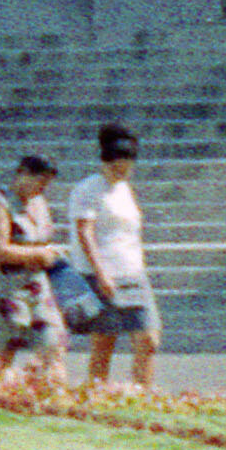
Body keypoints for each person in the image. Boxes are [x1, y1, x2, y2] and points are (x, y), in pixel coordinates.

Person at [67, 123, 161, 390]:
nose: (122, 172)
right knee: (104, 341)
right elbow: (84, 233)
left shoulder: (125, 190)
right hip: (102, 274)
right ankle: (96, 395)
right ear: (105, 162)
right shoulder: (88, 190)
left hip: (133, 272)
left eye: (127, 166)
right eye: (116, 166)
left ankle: (143, 395)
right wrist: (100, 273)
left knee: (148, 338)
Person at [0, 154, 66, 380]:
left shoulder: (39, 203)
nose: (42, 188)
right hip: (5, 287)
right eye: (39, 181)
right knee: (4, 353)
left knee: (53, 341)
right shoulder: (0, 203)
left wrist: (51, 253)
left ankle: (51, 394)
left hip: (35, 283)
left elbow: (42, 238)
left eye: (47, 183)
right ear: (23, 174)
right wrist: (38, 254)